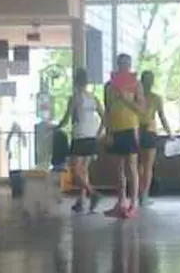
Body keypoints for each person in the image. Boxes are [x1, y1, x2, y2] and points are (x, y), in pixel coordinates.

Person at [56, 68, 105, 214]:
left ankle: (92, 193)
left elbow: (66, 119)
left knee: (75, 171)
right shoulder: (94, 98)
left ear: (76, 82)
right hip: (91, 137)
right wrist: (98, 133)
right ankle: (81, 201)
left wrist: (55, 128)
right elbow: (105, 118)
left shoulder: (75, 98)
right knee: (84, 170)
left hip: (79, 137)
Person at [104, 54, 144, 219]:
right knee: (118, 168)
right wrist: (108, 132)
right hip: (115, 129)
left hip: (130, 128)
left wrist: (124, 98)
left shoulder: (136, 84)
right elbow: (107, 109)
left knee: (131, 167)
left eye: (126, 64)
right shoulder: (109, 86)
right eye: (120, 64)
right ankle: (120, 202)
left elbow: (141, 109)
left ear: (130, 66)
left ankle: (134, 203)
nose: (123, 67)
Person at [137, 70, 172, 206]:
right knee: (147, 166)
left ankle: (141, 193)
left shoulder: (137, 97)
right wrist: (169, 133)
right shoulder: (154, 98)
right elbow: (162, 117)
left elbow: (162, 117)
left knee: (140, 165)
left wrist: (169, 132)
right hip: (148, 132)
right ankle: (143, 194)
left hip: (139, 132)